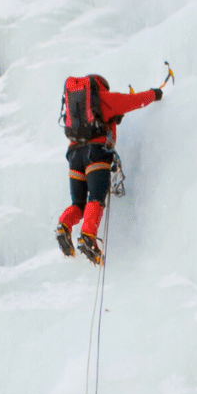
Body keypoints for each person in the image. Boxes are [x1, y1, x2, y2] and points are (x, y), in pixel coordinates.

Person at [56, 72, 162, 264]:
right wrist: (155, 94)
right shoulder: (104, 99)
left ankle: (63, 225)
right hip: (96, 153)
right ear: (100, 86)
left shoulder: (77, 105)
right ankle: (88, 236)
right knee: (96, 197)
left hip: (74, 155)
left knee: (77, 205)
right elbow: (134, 100)